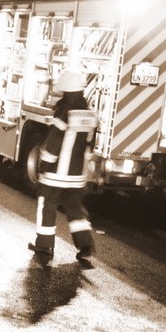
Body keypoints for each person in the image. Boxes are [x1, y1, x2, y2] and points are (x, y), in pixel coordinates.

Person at [29, 68, 98, 264]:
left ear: (66, 90)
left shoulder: (64, 113)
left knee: (47, 205)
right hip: (77, 175)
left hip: (56, 174)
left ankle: (44, 246)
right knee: (74, 209)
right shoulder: (90, 114)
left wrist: (44, 164)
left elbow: (53, 144)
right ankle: (86, 247)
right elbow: (89, 146)